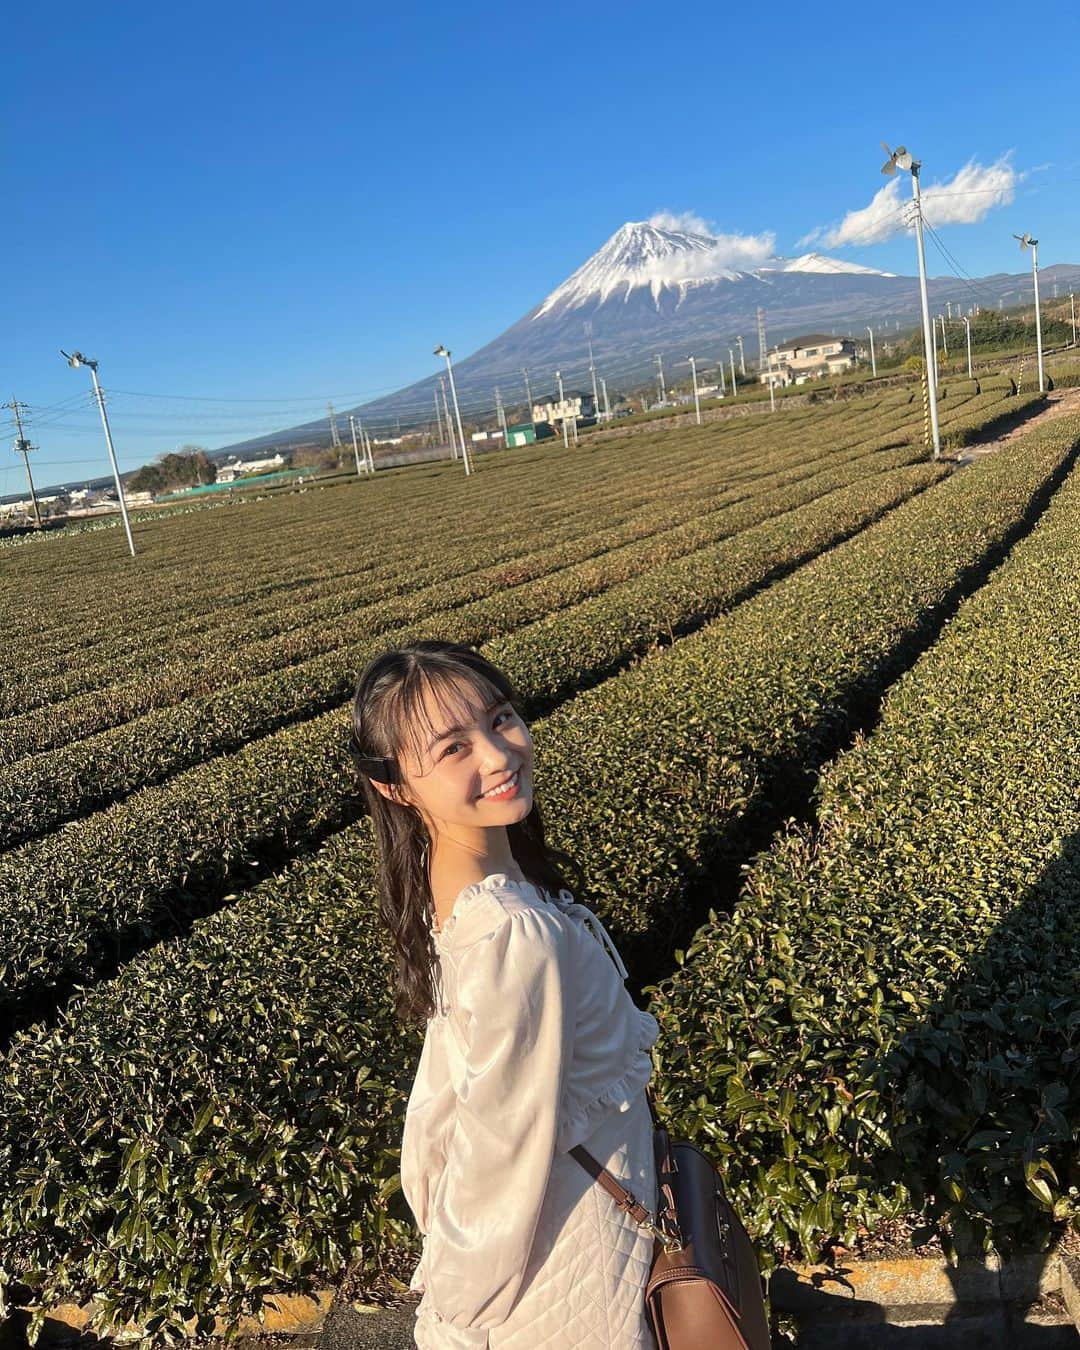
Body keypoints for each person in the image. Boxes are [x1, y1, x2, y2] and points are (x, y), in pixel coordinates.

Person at [350, 640, 660, 1349]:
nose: (498, 754)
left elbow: (451, 1094)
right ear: (396, 785)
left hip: (567, 1230)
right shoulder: (511, 934)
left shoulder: (454, 888)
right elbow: (501, 1147)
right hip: (559, 1260)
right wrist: (455, 1312)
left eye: (501, 720)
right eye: (453, 748)